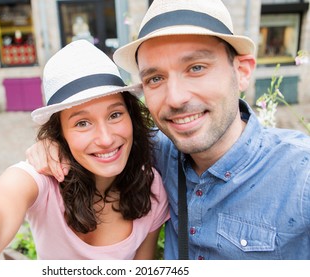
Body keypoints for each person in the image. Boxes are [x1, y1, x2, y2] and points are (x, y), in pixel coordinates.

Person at [26, 0, 310, 260]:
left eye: (196, 68)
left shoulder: (300, 176)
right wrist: (54, 144)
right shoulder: (156, 149)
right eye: (155, 78)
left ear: (243, 70)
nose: (175, 98)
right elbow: (103, 141)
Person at [0, 40, 169, 260]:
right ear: (60, 133)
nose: (105, 139)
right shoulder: (41, 180)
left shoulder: (151, 185)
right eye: (82, 123)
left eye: (115, 114)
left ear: (132, 117)